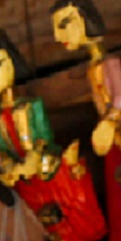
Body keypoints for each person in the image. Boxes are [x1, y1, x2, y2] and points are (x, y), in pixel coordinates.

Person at [0, 29, 107, 241]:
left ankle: (83, 233)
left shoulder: (30, 107)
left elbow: (43, 139)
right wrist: (9, 167)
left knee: (70, 200)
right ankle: (62, 238)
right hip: (27, 180)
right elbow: (5, 150)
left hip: (45, 167)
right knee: (43, 212)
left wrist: (31, 162)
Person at [50, 0, 121, 157]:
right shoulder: (92, 69)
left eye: (64, 25)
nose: (57, 36)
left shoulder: (110, 63)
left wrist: (110, 120)